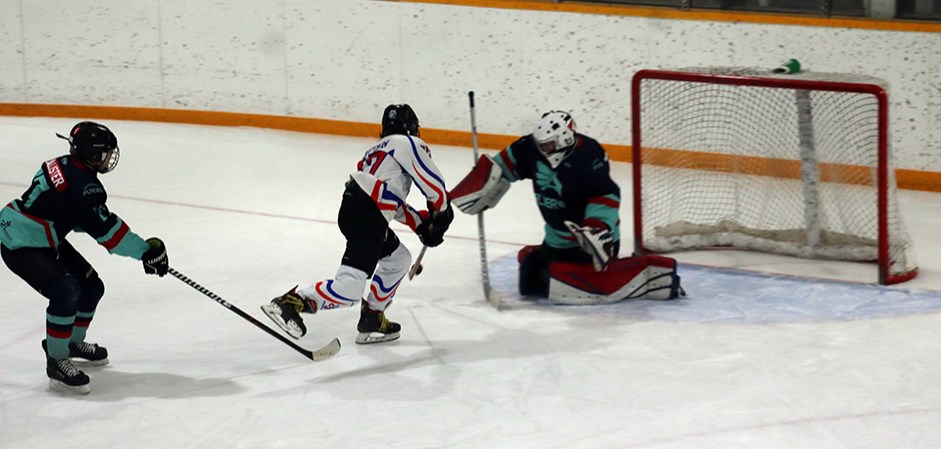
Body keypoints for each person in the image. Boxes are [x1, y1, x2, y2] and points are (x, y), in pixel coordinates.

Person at [0, 121, 169, 395]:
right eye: (103, 154)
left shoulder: (66, 165)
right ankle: (56, 359)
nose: (108, 159)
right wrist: (145, 252)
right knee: (66, 289)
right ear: (89, 154)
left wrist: (86, 217)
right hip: (20, 241)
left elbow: (68, 212)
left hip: (41, 234)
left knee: (92, 286)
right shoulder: (83, 187)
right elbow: (108, 233)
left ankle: (70, 342)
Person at [262, 104, 453, 344]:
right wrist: (442, 212)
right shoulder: (409, 144)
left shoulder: (376, 151)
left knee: (399, 259)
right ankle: (292, 303)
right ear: (412, 128)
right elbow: (434, 186)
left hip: (356, 209)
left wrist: (420, 224)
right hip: (368, 214)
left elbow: (386, 197)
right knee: (351, 288)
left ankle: (372, 316)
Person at [450, 111, 682, 303]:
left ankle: (644, 273)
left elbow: (605, 196)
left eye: (549, 145)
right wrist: (480, 185)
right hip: (556, 237)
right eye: (541, 145)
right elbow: (502, 167)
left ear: (565, 139)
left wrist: (596, 228)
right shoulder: (530, 148)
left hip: (589, 240)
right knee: (531, 277)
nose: (543, 150)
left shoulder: (589, 155)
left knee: (569, 283)